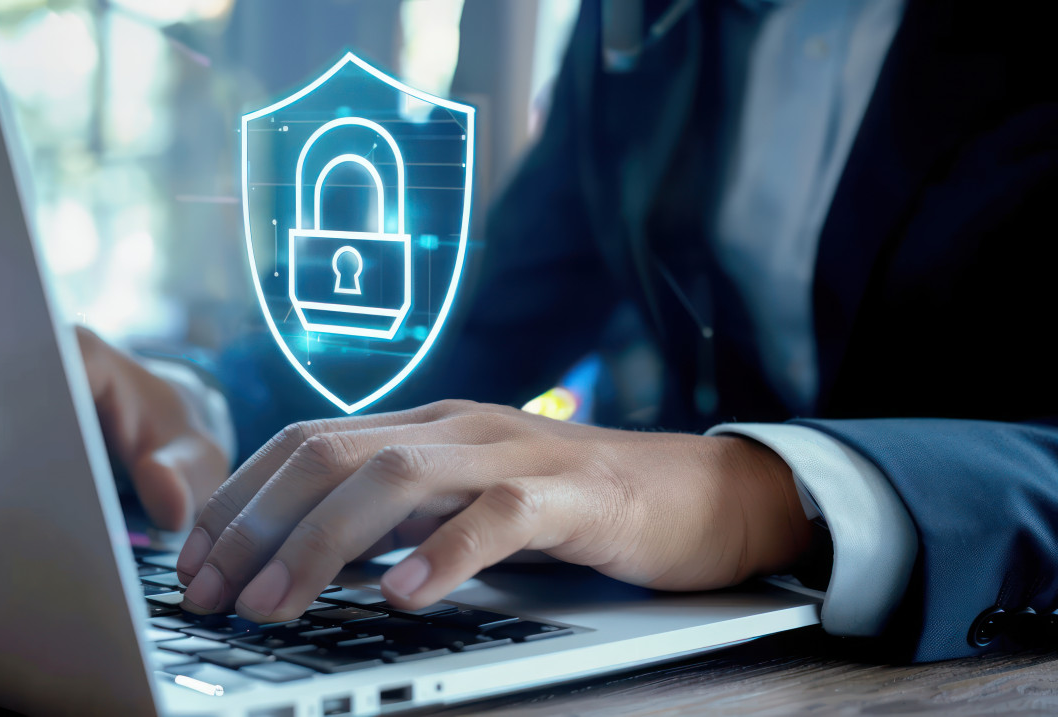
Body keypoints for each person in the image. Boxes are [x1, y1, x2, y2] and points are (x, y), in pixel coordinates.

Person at [78, 0, 1058, 663]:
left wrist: (766, 491)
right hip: (690, 661)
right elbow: (483, 325)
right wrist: (200, 398)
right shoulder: (635, 23)